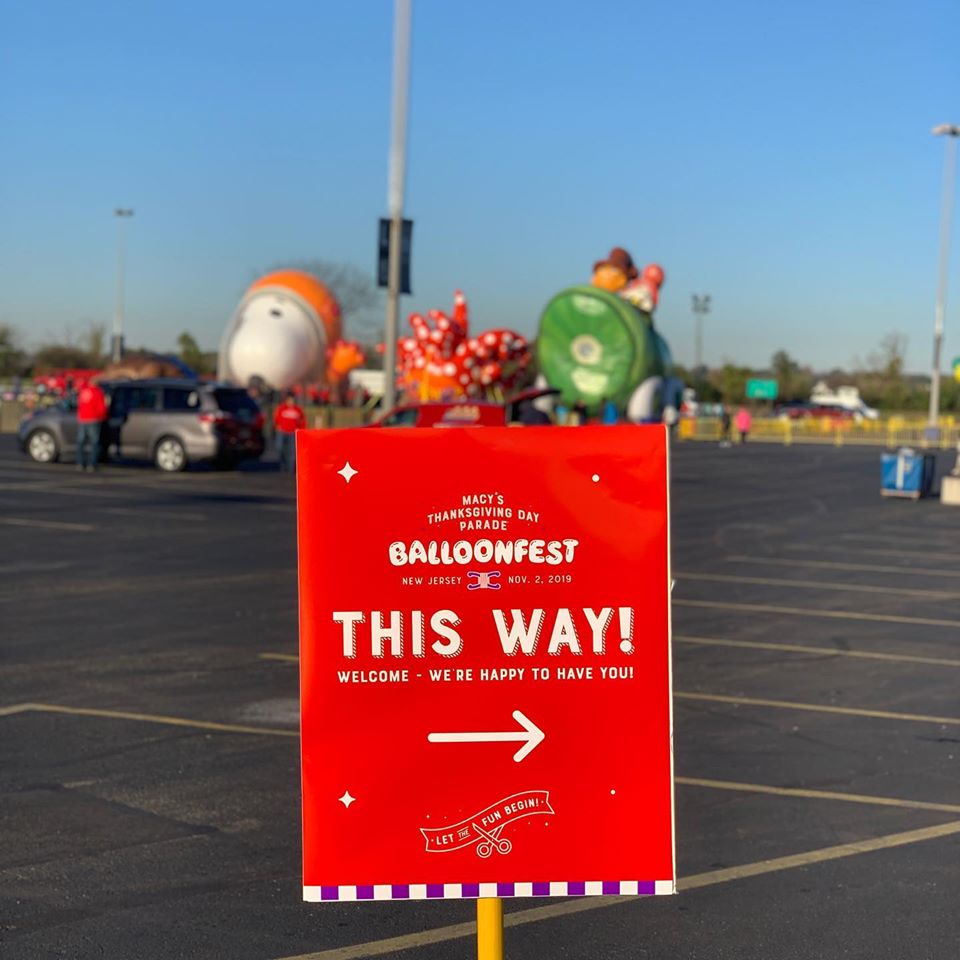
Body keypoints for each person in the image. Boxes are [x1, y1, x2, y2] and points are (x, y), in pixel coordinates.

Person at [76, 380, 108, 472]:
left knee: (81, 442)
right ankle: (92, 464)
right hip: (94, 419)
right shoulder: (98, 392)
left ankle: (80, 463)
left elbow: (79, 405)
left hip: (83, 419)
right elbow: (102, 407)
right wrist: (103, 417)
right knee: (94, 442)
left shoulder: (83, 392)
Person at [273, 393, 306, 472]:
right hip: (282, 432)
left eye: (292, 400)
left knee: (292, 451)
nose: (290, 402)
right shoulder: (281, 408)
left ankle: (290, 469)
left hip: (293, 433)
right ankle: (282, 465)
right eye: (289, 400)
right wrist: (277, 426)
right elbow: (276, 418)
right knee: (279, 448)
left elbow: (302, 420)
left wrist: (301, 430)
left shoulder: (298, 409)